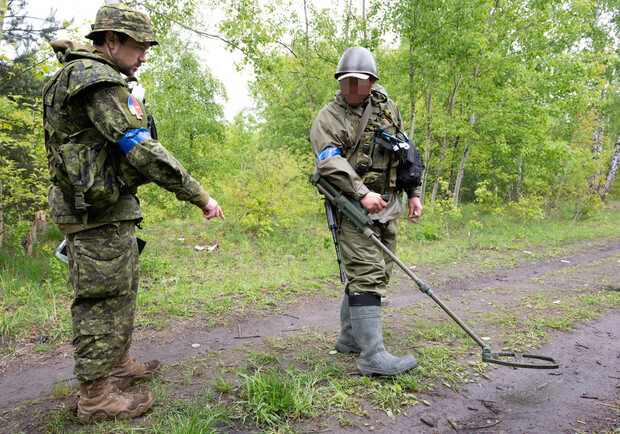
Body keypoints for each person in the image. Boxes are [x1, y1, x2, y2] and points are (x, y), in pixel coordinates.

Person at [43, 2, 224, 423]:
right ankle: (95, 398)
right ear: (112, 41)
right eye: (139, 45)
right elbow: (138, 146)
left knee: (120, 292)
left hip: (105, 209)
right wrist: (197, 193)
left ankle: (118, 366)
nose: (144, 54)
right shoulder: (96, 80)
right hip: (93, 214)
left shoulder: (86, 76)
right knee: (101, 301)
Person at [309, 46, 423, 376]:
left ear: (372, 82)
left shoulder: (386, 109)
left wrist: (413, 193)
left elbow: (405, 152)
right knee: (367, 274)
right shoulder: (329, 117)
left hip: (387, 205)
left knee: (380, 272)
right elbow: (329, 161)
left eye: (358, 82)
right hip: (351, 205)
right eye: (346, 82)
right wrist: (360, 193)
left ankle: (349, 338)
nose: (352, 89)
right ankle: (372, 355)